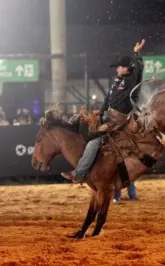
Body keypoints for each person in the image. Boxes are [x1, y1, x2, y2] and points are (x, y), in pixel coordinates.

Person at [61, 39, 146, 184]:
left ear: (126, 68)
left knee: (94, 141)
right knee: (88, 132)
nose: (117, 69)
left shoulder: (132, 79)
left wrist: (136, 53)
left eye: (119, 67)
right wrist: (100, 113)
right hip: (109, 117)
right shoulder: (117, 81)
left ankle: (79, 173)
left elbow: (138, 67)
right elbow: (107, 98)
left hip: (120, 119)